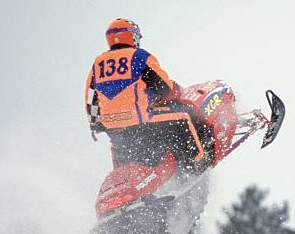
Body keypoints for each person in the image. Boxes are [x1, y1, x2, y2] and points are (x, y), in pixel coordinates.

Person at [84, 18, 209, 172]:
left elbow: (91, 99)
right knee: (185, 115)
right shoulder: (139, 57)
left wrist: (95, 122)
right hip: (141, 119)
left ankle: (124, 174)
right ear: (131, 36)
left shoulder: (98, 64)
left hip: (112, 124)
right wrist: (173, 92)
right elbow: (165, 89)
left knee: (119, 144)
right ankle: (198, 163)